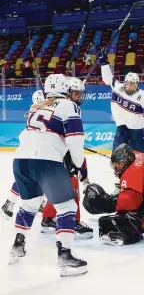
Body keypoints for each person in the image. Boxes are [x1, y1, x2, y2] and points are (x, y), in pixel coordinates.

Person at [9, 74, 88, 277]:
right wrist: (78, 164)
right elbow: (75, 140)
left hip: (21, 161)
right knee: (67, 207)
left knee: (29, 204)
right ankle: (65, 256)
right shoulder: (69, 106)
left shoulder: (37, 107)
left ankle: (17, 246)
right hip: (46, 161)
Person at [41, 77, 93, 239]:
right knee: (71, 184)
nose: (78, 97)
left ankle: (48, 218)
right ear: (67, 92)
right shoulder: (68, 106)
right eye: (75, 93)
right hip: (60, 153)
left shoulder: (53, 104)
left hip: (47, 151)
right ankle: (72, 221)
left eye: (79, 93)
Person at [100, 52, 144, 152]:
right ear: (124, 82)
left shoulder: (143, 96)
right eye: (127, 83)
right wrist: (104, 64)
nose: (129, 86)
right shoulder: (118, 88)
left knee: (138, 156)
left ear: (137, 84)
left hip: (137, 130)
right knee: (117, 154)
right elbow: (108, 79)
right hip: (121, 127)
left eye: (132, 84)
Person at [1, 90, 46, 218]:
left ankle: (10, 202)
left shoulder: (34, 111)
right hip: (33, 152)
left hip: (29, 151)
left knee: (28, 178)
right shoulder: (41, 113)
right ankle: (40, 202)